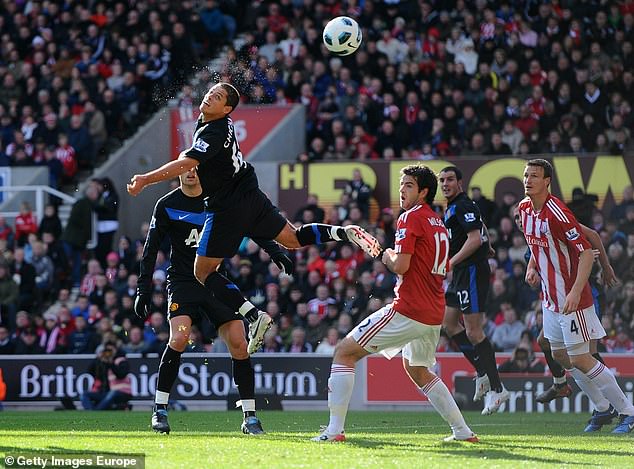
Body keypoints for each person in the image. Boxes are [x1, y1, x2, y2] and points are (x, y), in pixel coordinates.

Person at [127, 82, 382, 354]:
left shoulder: (214, 130)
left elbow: (186, 163)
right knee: (293, 239)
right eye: (211, 92)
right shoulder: (216, 123)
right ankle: (345, 232)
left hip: (226, 206)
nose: (210, 96)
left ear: (226, 109)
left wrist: (146, 178)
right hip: (250, 193)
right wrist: (272, 249)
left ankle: (253, 316)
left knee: (202, 272)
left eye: (218, 97)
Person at [312, 164, 477, 443]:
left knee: (344, 352)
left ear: (424, 191)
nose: (402, 190)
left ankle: (334, 431)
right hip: (433, 311)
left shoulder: (410, 217)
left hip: (410, 308)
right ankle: (462, 431)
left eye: (409, 185)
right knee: (418, 370)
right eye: (401, 184)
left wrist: (381, 253)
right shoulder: (438, 222)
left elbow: (400, 265)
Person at [135, 168, 293, 435]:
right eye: (185, 170)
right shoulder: (166, 205)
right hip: (183, 283)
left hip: (215, 281)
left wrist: (274, 250)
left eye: (196, 169)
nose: (191, 174)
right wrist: (143, 289)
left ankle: (250, 417)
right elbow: (150, 250)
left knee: (239, 344)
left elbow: (251, 223)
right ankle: (160, 409)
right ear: (177, 175)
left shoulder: (220, 199)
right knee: (179, 338)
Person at [519, 158, 634, 434]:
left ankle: (628, 412)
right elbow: (535, 244)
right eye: (525, 175)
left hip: (574, 300)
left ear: (547, 181)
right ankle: (602, 408)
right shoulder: (523, 209)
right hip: (550, 300)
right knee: (562, 356)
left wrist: (574, 291)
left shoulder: (557, 213)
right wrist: (532, 266)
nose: (528, 180)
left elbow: (585, 252)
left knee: (582, 358)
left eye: (534, 176)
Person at [438, 166, 509, 415]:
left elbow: (474, 238)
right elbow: (480, 230)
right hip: (461, 274)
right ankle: (482, 373)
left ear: (460, 182)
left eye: (450, 180)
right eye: (442, 180)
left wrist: (451, 262)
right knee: (449, 324)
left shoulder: (462, 205)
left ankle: (498, 389)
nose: (445, 184)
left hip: (470, 271)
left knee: (474, 332)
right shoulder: (457, 206)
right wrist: (487, 242)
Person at [80, 341, 132, 410]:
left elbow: (121, 375)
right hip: (108, 392)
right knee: (84, 394)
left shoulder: (121, 360)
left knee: (112, 393)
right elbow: (90, 371)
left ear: (115, 350)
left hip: (123, 392)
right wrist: (98, 358)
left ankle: (95, 412)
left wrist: (111, 363)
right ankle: (91, 410)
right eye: (107, 350)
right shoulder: (105, 362)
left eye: (111, 350)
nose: (109, 353)